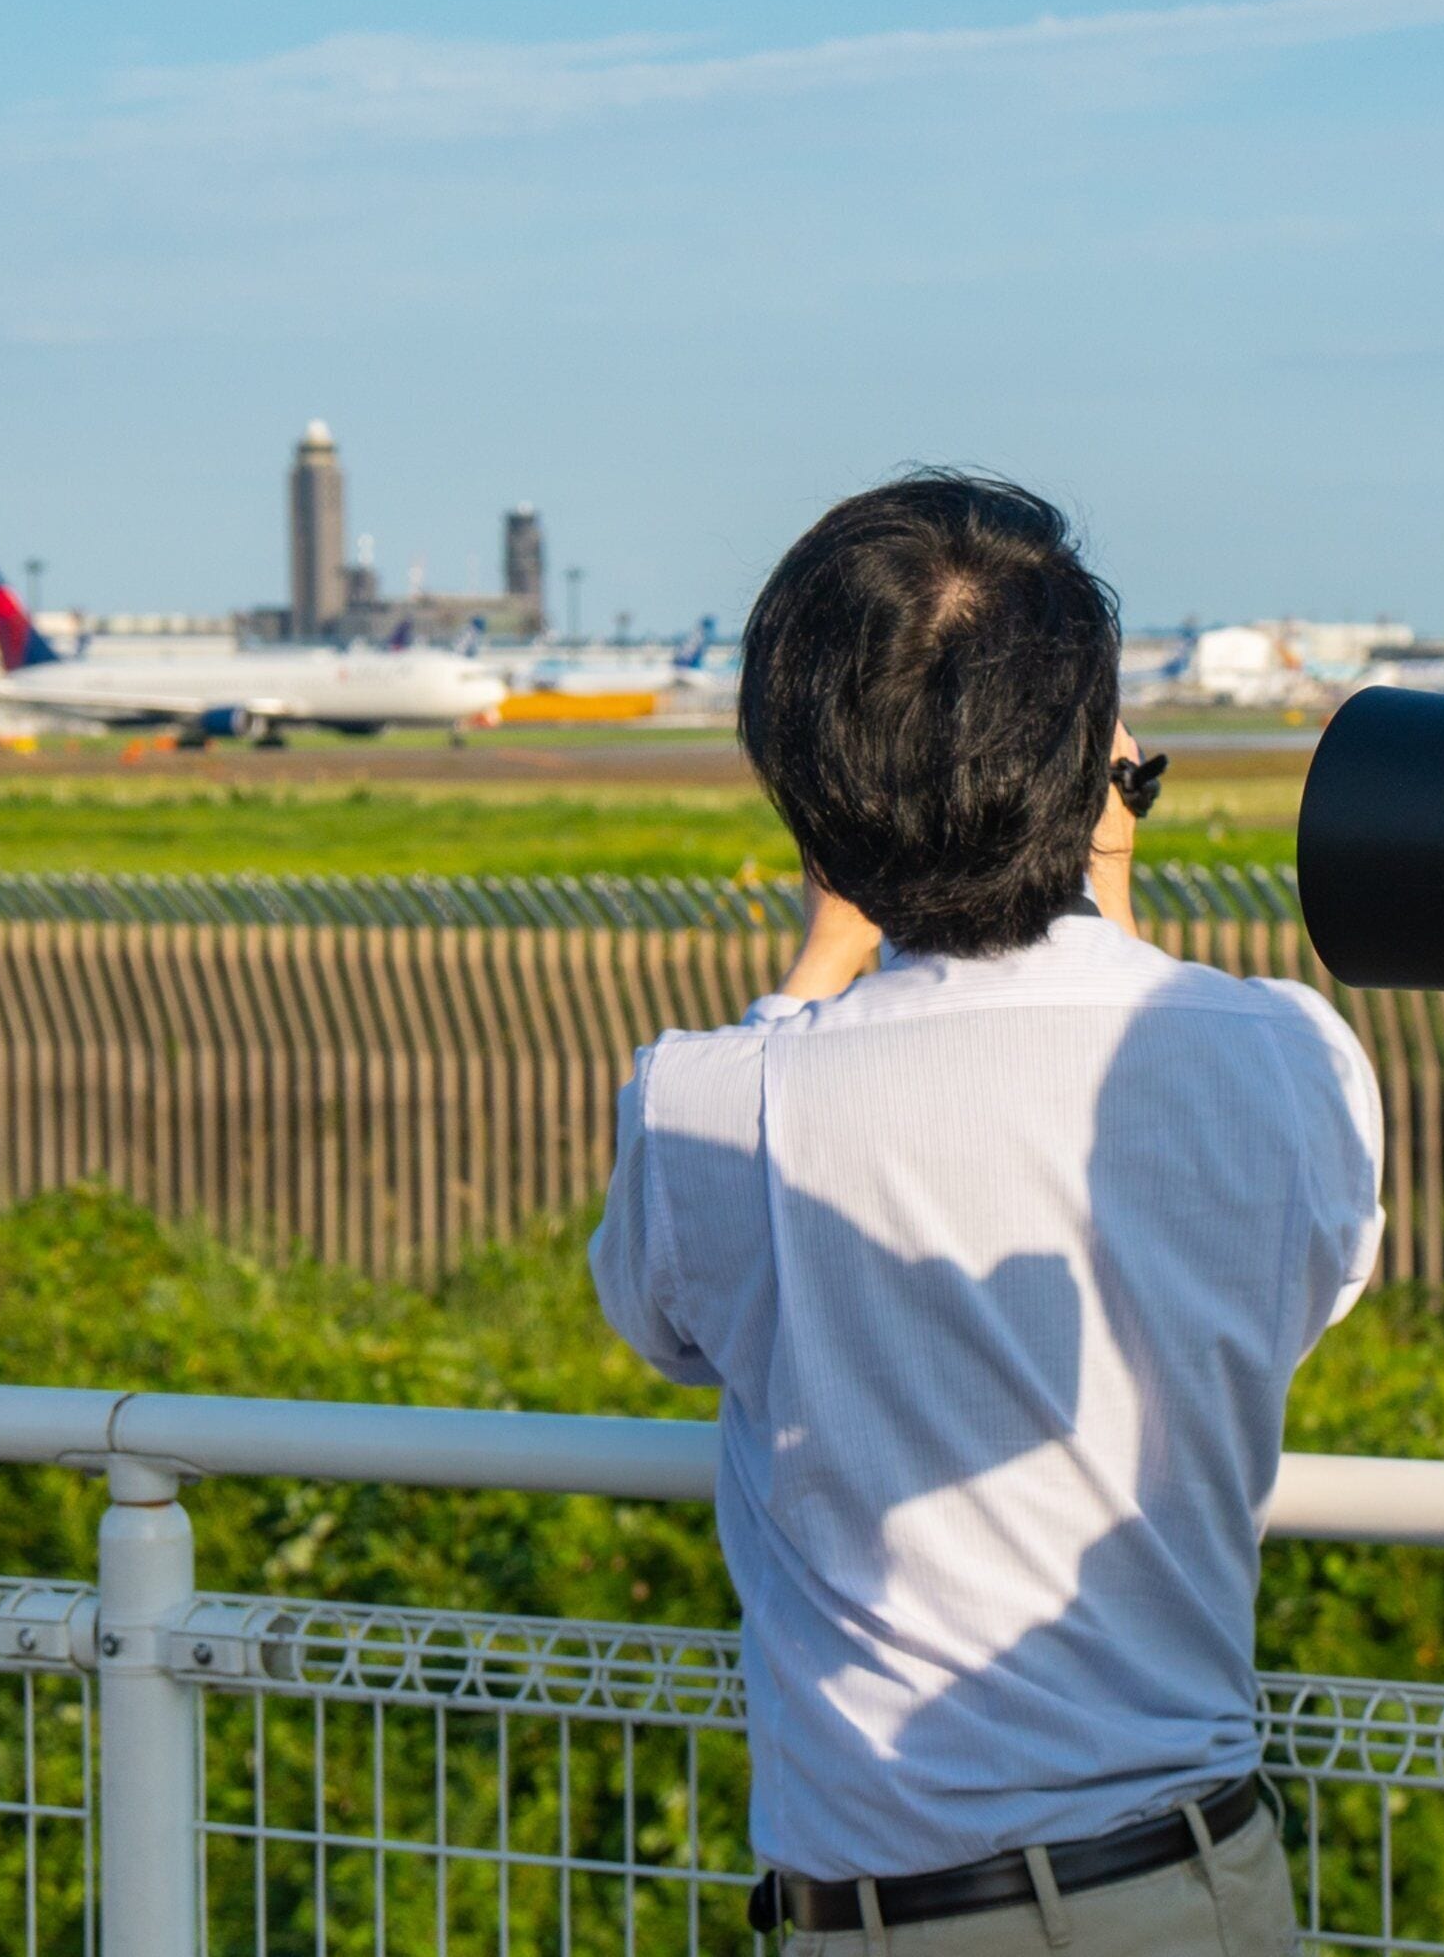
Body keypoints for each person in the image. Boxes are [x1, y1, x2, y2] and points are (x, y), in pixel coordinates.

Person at [589, 471, 1380, 1955]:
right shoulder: (1293, 1058)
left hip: (893, 1919)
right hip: (1202, 1892)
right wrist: (1105, 876)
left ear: (808, 790)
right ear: (1094, 754)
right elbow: (1252, 1261)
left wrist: (826, 943)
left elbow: (662, 1320)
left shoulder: (713, 1105)